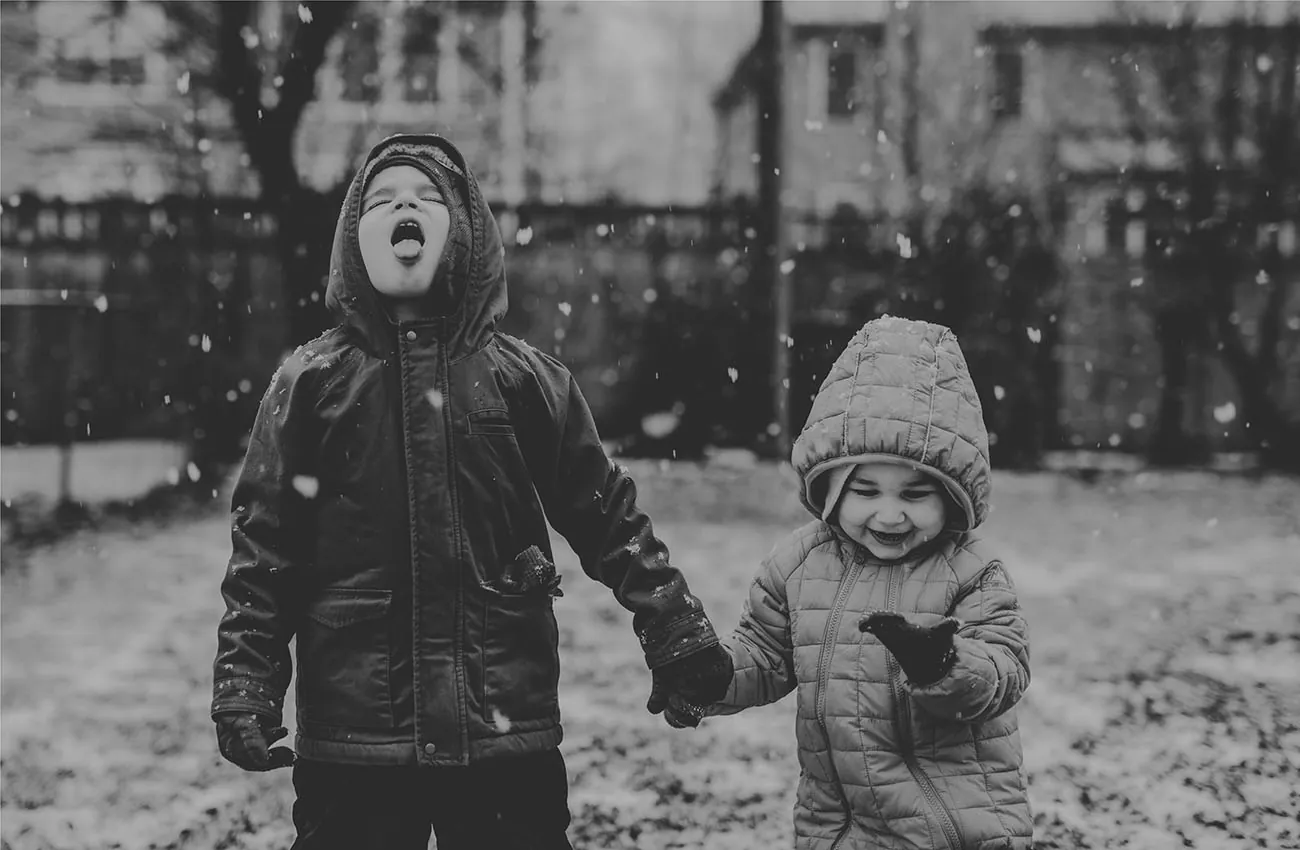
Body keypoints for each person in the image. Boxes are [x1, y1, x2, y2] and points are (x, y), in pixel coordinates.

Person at [211, 133, 732, 849]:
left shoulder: (525, 380)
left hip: (501, 722)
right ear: (352, 242)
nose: (406, 207)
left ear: (464, 236)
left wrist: (674, 630)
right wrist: (247, 676)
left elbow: (606, 512)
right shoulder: (311, 384)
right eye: (385, 200)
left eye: (428, 199)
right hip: (358, 731)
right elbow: (264, 547)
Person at [666, 316, 1033, 849]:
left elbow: (1005, 669)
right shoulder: (799, 562)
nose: (889, 516)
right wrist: (713, 676)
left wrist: (946, 664)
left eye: (914, 495)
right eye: (865, 490)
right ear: (830, 486)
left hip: (952, 828)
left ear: (952, 496)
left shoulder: (971, 570)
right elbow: (766, 655)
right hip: (837, 827)